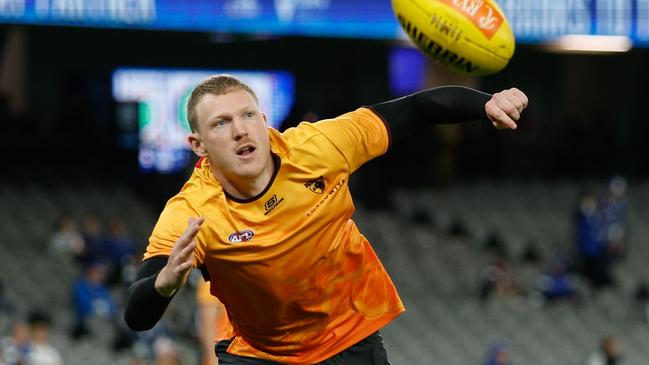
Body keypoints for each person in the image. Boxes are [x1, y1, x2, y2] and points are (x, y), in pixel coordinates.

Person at [124, 75, 528, 364]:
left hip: (348, 336)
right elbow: (136, 315)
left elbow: (416, 108)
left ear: (265, 122)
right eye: (221, 123)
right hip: (261, 355)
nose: (240, 131)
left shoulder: (321, 147)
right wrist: (163, 285)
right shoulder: (191, 212)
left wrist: (485, 102)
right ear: (198, 144)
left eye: (248, 116)